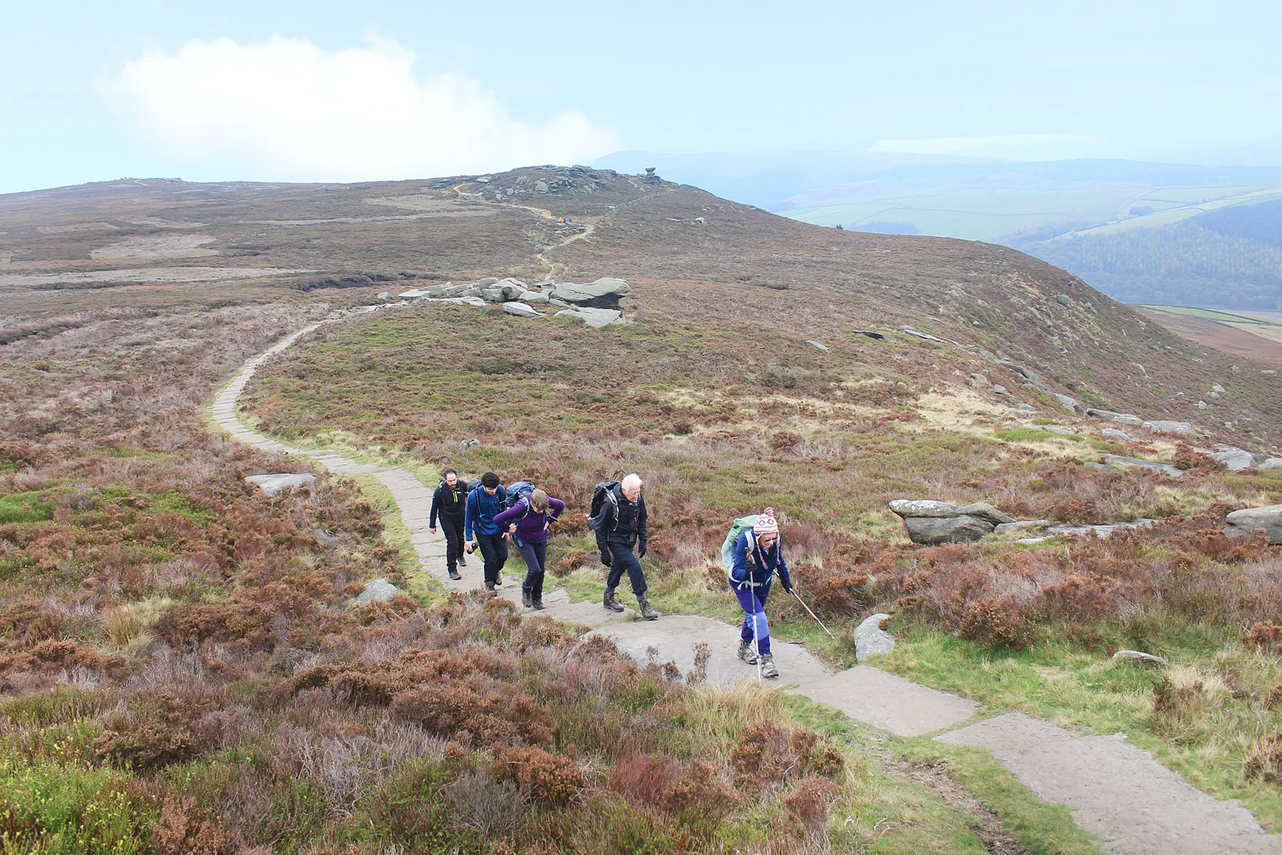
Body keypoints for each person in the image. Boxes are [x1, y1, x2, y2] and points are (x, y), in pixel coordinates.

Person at [729, 507, 792, 679]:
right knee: (759, 617)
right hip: (744, 585)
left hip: (763, 585)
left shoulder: (775, 539)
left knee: (754, 616)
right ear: (758, 536)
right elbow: (736, 572)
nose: (771, 542)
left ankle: (743, 647)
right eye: (767, 539)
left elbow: (779, 560)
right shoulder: (745, 540)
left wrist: (786, 580)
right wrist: (745, 570)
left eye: (773, 538)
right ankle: (766, 660)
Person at [595, 473, 659, 620]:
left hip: (629, 539)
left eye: (638, 492)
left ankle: (608, 597)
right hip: (615, 540)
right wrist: (604, 551)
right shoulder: (610, 503)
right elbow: (600, 528)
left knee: (618, 566)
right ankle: (643, 603)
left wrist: (643, 541)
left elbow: (642, 519)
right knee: (634, 566)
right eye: (633, 493)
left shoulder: (637, 498)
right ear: (624, 490)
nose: (637, 495)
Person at [494, 488, 564, 610]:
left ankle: (537, 598)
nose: (540, 512)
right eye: (538, 510)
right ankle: (526, 590)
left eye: (543, 510)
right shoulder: (521, 506)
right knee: (534, 569)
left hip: (540, 538)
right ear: (532, 504)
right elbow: (497, 519)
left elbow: (561, 505)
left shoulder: (544, 500)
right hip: (523, 539)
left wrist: (550, 520)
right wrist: (507, 529)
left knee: (541, 571)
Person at [464, 472, 508, 592]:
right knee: (490, 559)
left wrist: (506, 528)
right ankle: (489, 584)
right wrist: (468, 539)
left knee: (503, 555)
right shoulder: (474, 496)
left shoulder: (500, 491)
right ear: (483, 486)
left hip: (498, 529)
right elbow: (468, 518)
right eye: (490, 489)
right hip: (482, 531)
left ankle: (496, 572)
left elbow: (504, 510)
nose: (493, 491)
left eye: (494, 488)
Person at [429, 468, 468, 580]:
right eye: (450, 481)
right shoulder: (439, 491)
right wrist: (432, 524)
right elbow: (434, 508)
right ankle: (452, 569)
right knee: (452, 541)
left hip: (460, 515)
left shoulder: (462, 485)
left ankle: (460, 556)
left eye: (454, 480)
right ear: (445, 480)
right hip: (446, 517)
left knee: (460, 538)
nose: (452, 483)